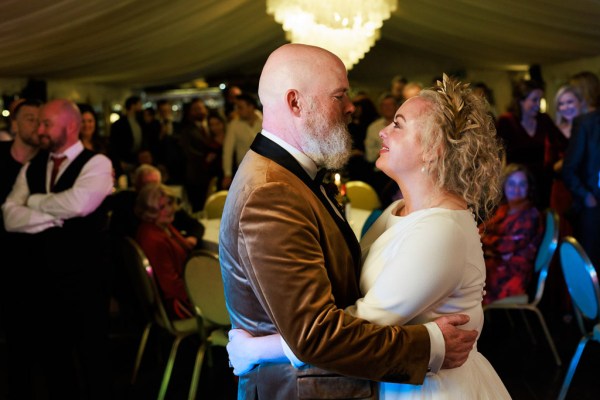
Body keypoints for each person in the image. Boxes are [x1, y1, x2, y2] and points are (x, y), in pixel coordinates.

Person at [220, 43, 480, 400]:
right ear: (295, 103)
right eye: (339, 95)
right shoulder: (270, 191)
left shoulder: (291, 177)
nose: (351, 107)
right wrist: (431, 344)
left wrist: (261, 347)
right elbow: (316, 335)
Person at [2, 99, 114, 399]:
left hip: (86, 281)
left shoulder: (97, 163)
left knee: (93, 359)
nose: (39, 130)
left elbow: (79, 204)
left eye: (46, 124)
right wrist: (54, 218)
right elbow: (9, 216)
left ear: (71, 126)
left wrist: (35, 202)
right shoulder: (32, 167)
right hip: (42, 281)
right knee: (55, 360)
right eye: (38, 123)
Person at [0, 98, 41, 399]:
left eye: (41, 120)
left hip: (36, 265)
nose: (37, 125)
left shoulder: (47, 164)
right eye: (29, 118)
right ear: (13, 124)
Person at [480, 163, 544, 305]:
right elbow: (480, 231)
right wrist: (486, 242)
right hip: (495, 264)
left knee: (460, 284)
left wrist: (484, 242)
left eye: (522, 184)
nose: (516, 189)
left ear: (529, 188)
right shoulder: (505, 209)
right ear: (504, 186)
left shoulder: (530, 214)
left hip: (510, 275)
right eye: (511, 184)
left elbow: (504, 246)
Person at [496, 79, 563, 209]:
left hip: (542, 182)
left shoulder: (544, 119)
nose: (538, 105)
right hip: (518, 183)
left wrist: (557, 165)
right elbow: (494, 152)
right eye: (534, 100)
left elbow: (563, 143)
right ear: (520, 100)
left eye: (540, 100)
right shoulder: (506, 121)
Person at [134, 182, 194, 319]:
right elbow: (170, 287)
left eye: (169, 203)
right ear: (149, 212)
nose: (169, 209)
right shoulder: (153, 239)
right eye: (161, 207)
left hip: (181, 291)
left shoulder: (162, 226)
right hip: (175, 305)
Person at [562, 104, 600, 268]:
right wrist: (585, 195)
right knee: (590, 264)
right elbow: (568, 169)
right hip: (593, 204)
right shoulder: (586, 123)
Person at [221, 93, 262, 189]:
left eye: (240, 107)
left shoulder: (265, 121)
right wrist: (227, 174)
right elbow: (227, 151)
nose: (237, 111)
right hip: (245, 172)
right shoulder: (234, 125)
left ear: (251, 107)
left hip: (266, 170)